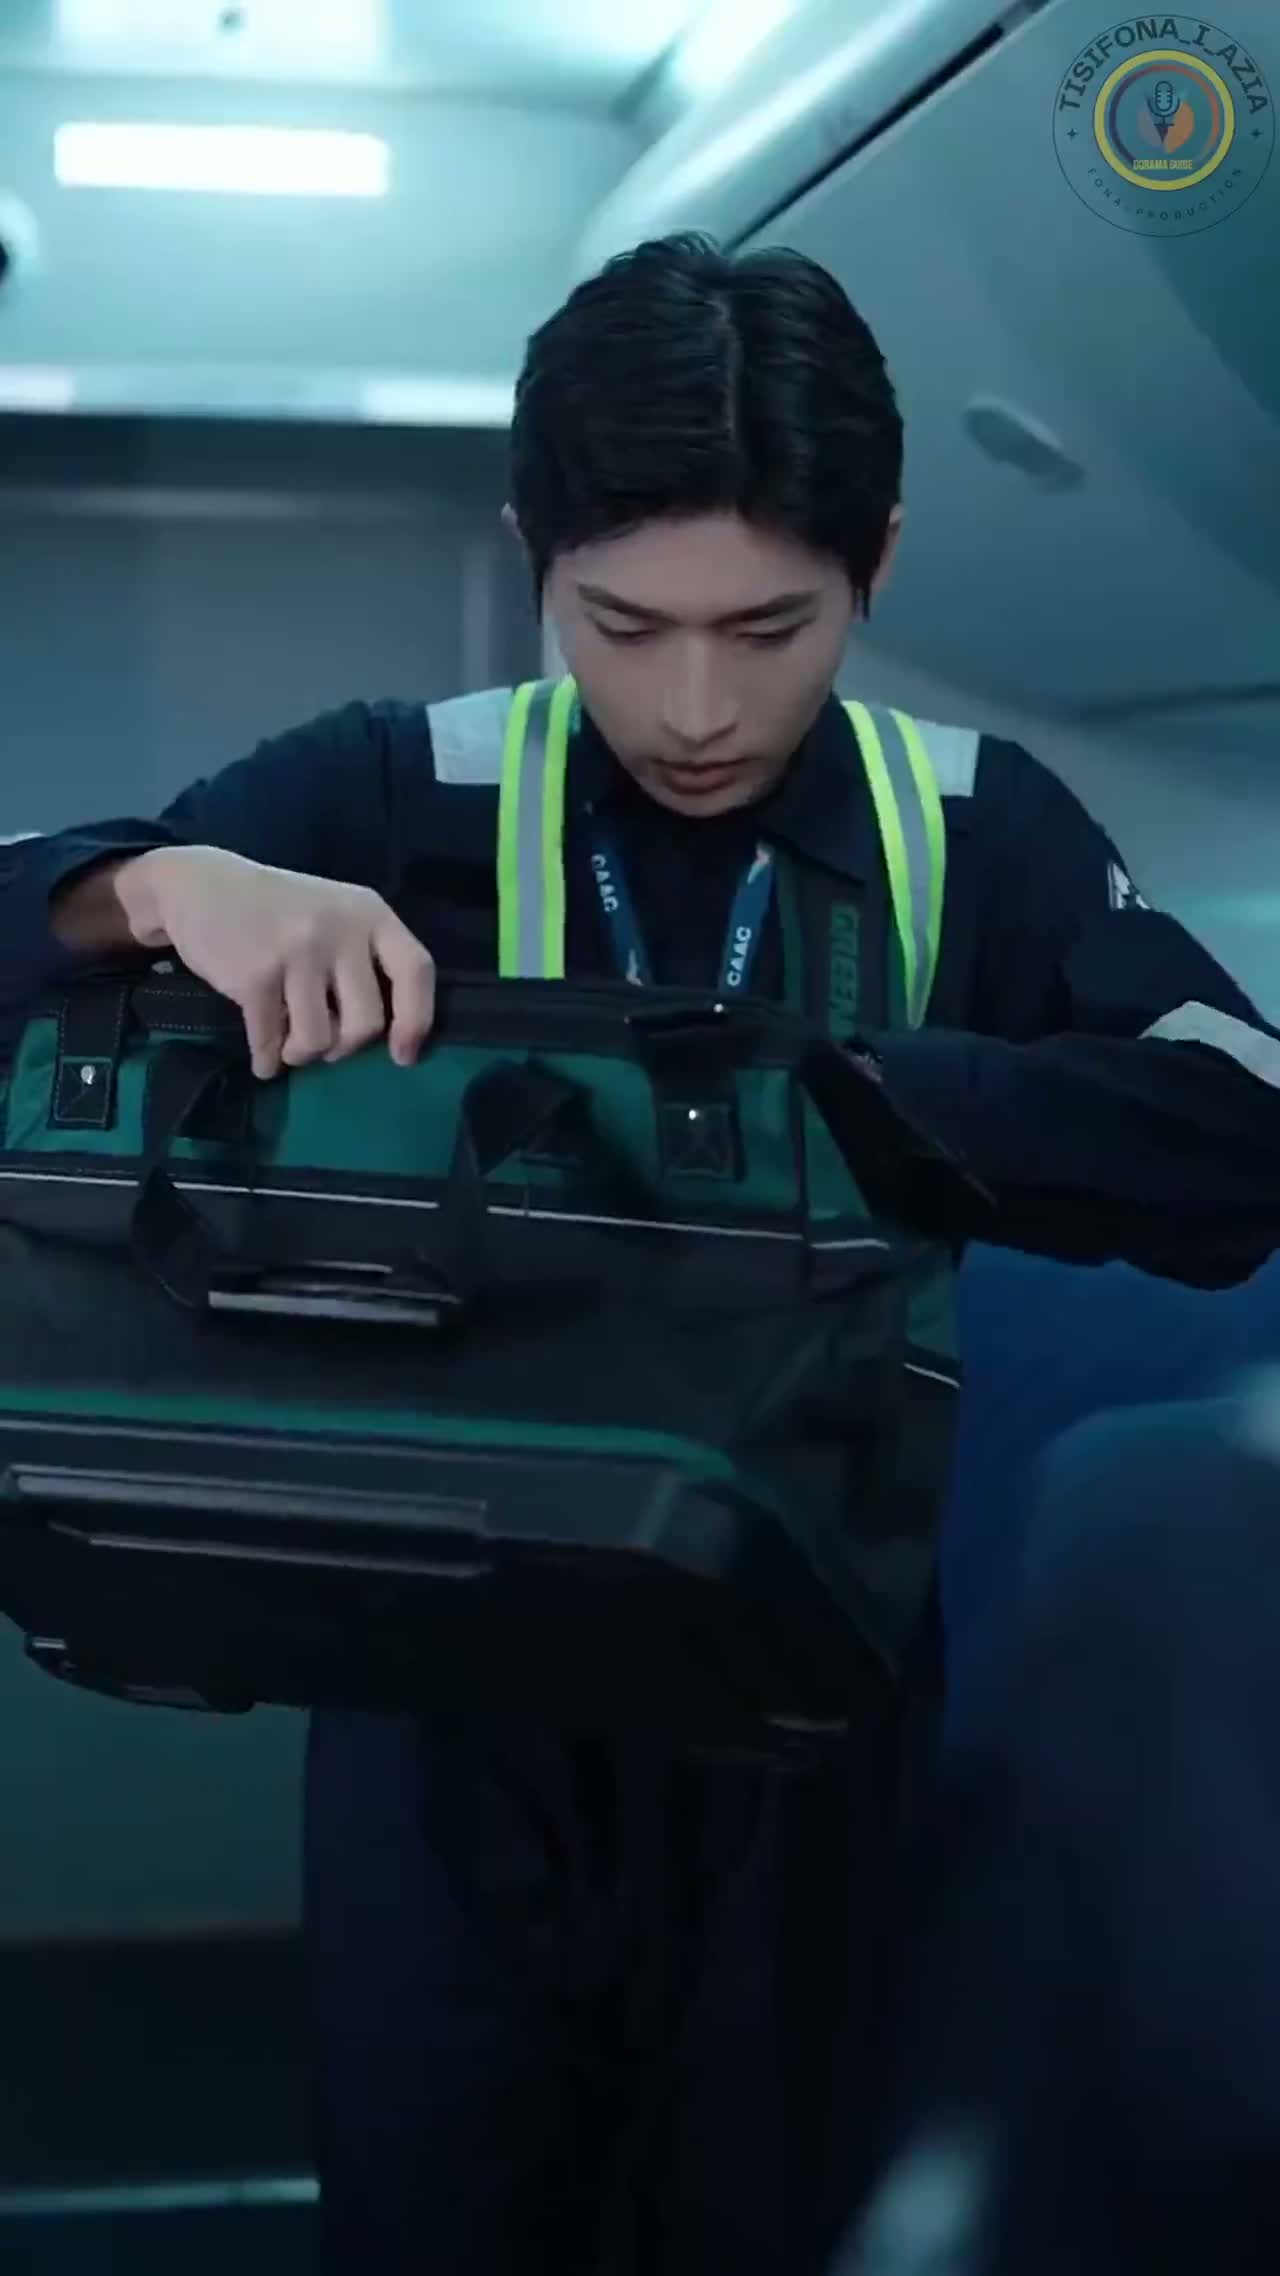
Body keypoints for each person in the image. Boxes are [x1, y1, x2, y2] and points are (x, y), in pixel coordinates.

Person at [1, 231, 1278, 2275]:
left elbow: (1239, 1130)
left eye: (771, 627)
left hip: (808, 1724)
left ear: (876, 561)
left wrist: (840, 1102)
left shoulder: (979, 827)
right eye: (625, 624)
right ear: (534, 557)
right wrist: (152, 889)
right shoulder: (392, 788)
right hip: (438, 1711)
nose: (699, 705)